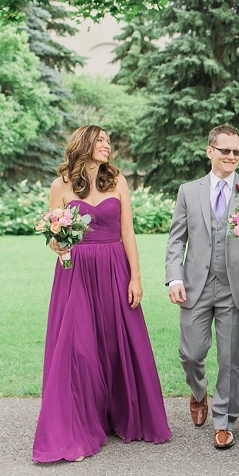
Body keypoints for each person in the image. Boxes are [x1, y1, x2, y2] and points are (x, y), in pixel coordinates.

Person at [34, 125, 171, 462]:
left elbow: (128, 233)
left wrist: (135, 277)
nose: (107, 145)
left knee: (115, 343)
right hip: (76, 274)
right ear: (84, 144)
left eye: (108, 140)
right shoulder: (60, 185)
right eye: (100, 140)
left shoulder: (117, 181)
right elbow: (54, 237)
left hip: (114, 269)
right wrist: (57, 243)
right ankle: (75, 429)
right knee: (78, 350)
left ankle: (122, 416)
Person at [165, 124, 239, 449]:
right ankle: (198, 392)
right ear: (209, 151)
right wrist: (174, 277)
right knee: (191, 353)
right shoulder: (188, 191)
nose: (232, 156)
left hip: (235, 287)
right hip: (195, 285)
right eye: (225, 150)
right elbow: (176, 239)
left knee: (230, 358)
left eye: (236, 151)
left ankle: (224, 421)